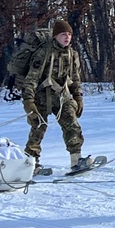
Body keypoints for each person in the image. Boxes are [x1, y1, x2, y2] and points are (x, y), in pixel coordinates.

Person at [21, 19, 92, 175]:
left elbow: (75, 77)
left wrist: (78, 96)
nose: (67, 37)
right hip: (41, 97)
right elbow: (31, 78)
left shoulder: (72, 54)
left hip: (62, 97)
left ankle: (76, 161)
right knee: (38, 129)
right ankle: (30, 164)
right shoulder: (43, 53)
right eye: (63, 34)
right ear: (55, 36)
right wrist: (28, 101)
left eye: (69, 34)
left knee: (72, 125)